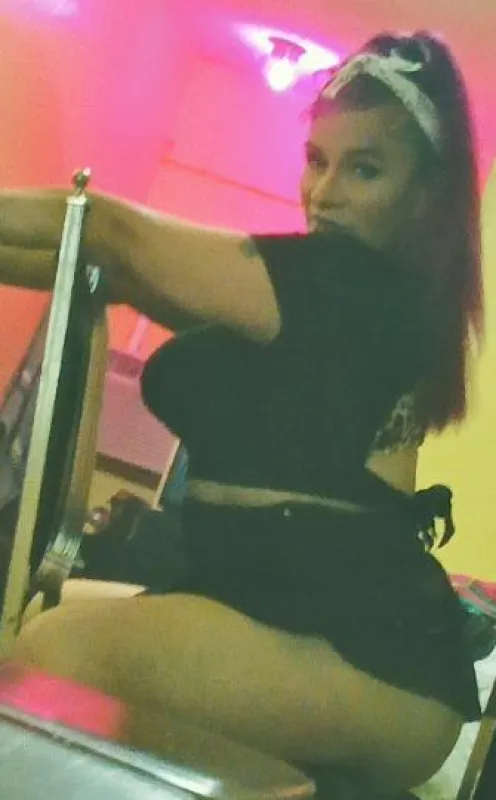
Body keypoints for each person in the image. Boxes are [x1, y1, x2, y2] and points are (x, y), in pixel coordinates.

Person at [0, 30, 485, 796]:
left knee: (54, 653)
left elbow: (111, 231)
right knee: (36, 625)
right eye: (317, 160)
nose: (325, 192)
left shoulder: (356, 287)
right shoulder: (321, 300)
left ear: (425, 194)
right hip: (269, 601)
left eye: (365, 168)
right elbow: (103, 265)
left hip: (364, 649)